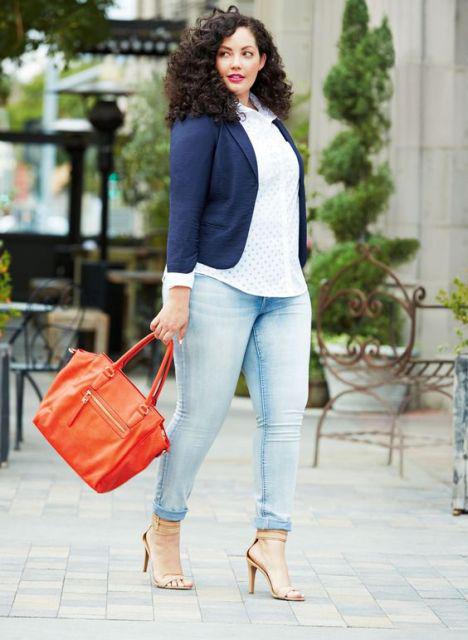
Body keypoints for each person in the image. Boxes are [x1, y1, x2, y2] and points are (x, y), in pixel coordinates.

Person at [142, 4, 311, 602]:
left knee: (284, 421)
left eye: (247, 53)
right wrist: (178, 292)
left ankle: (271, 542)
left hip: (286, 292)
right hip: (219, 284)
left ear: (263, 61)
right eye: (225, 53)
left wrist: (297, 259)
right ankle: (164, 527)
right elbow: (183, 210)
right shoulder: (199, 120)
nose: (237, 63)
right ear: (207, 60)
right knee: (201, 417)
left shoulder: (270, 119)